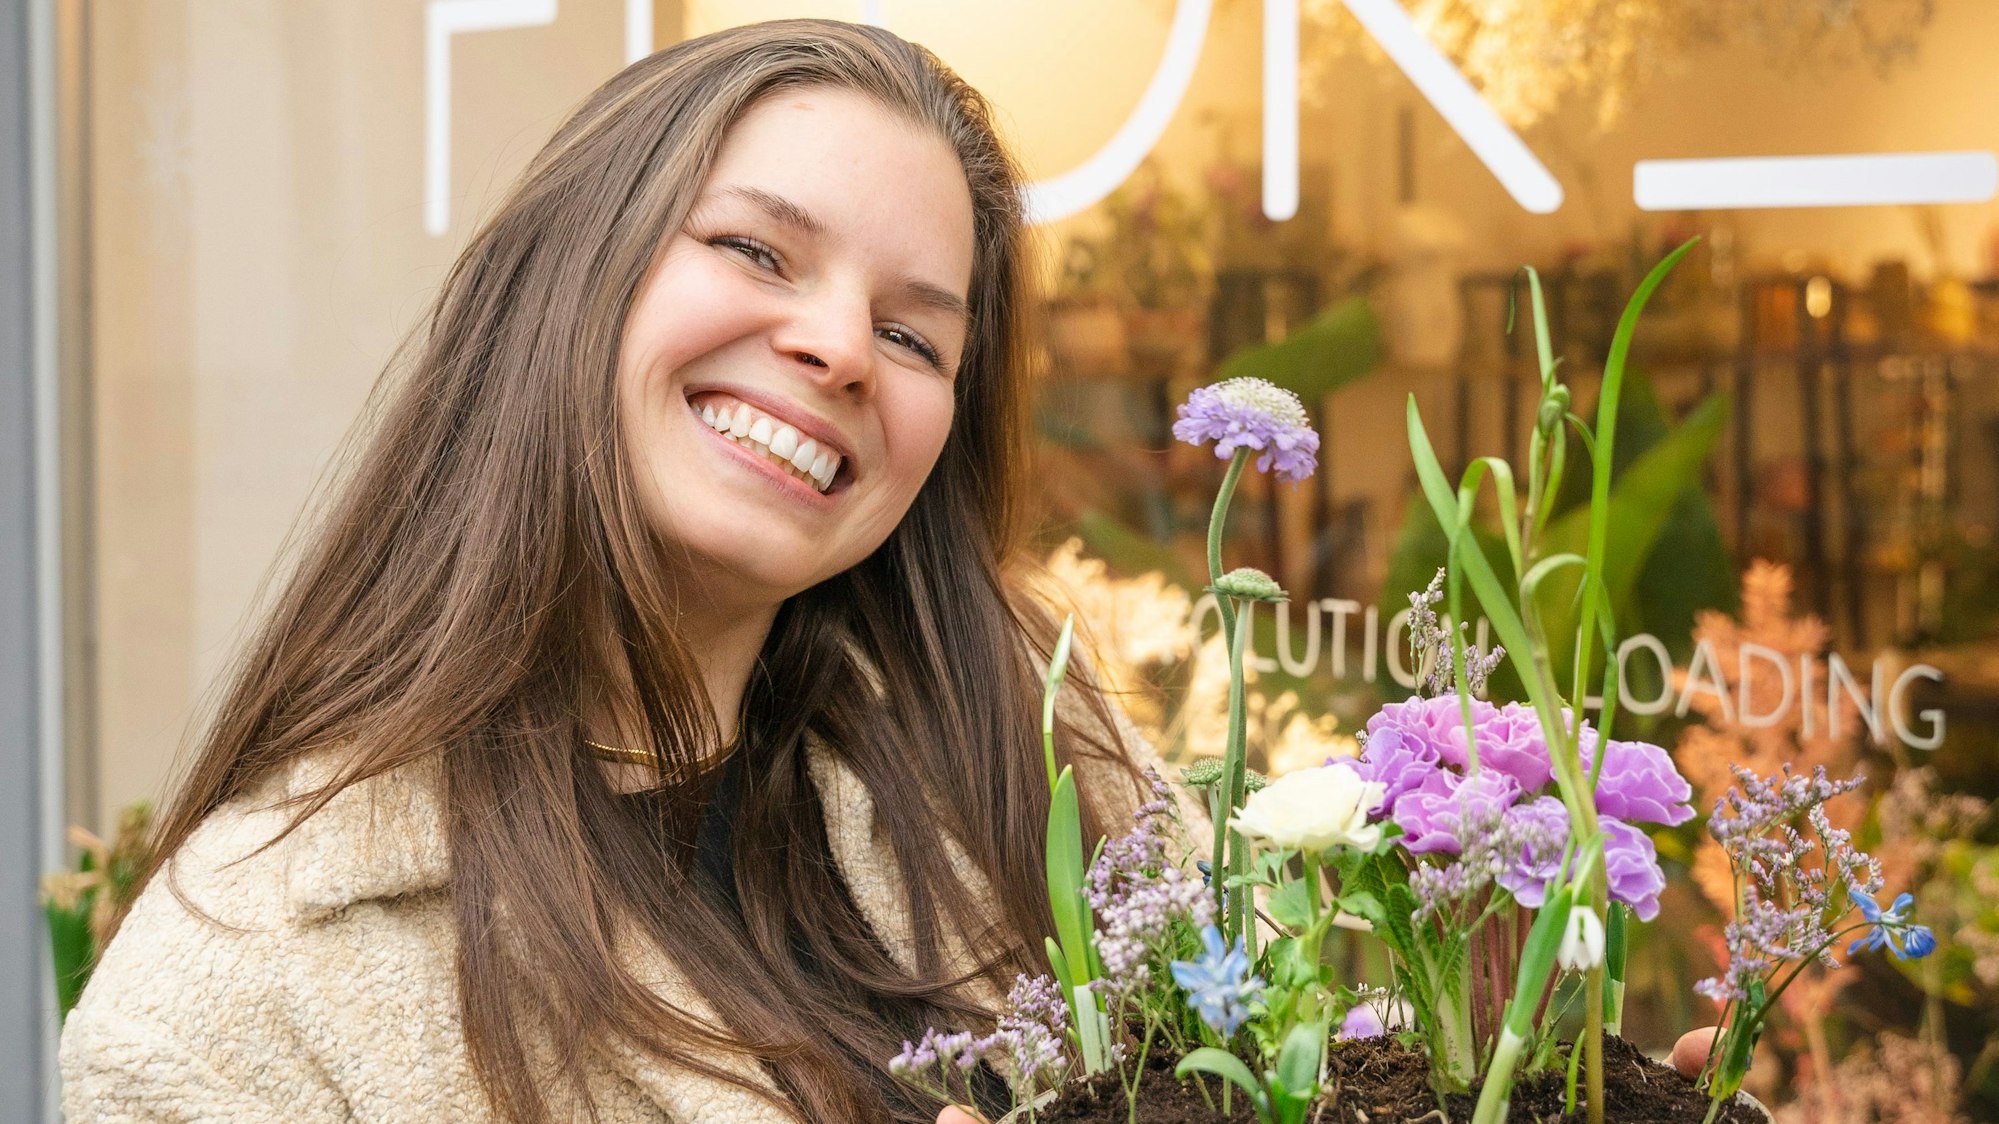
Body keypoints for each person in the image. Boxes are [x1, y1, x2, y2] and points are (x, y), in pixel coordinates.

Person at [58, 19, 1161, 1124]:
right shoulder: (235, 1001)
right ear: (569, 269)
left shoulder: (1034, 746)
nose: (841, 347)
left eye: (913, 336)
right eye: (755, 250)